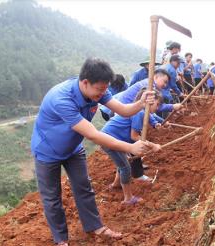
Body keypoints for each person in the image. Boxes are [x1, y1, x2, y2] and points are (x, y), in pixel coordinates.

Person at [31, 58, 159, 246]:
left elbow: (123, 110)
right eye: (99, 89)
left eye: (104, 89)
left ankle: (95, 226)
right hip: (48, 151)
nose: (103, 93)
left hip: (73, 148)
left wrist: (140, 103)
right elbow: (94, 135)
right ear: (84, 83)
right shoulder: (61, 99)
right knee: (52, 197)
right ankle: (61, 240)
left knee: (84, 188)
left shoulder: (98, 90)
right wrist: (131, 148)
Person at [101, 89, 163, 205]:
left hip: (111, 137)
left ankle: (116, 184)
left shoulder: (143, 112)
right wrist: (153, 145)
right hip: (109, 140)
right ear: (148, 102)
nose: (158, 107)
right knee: (125, 167)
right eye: (157, 104)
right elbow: (134, 136)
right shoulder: (139, 113)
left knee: (123, 162)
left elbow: (150, 118)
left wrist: (156, 124)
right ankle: (128, 198)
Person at [99, 68, 183, 122]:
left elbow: (150, 111)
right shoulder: (149, 87)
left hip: (123, 110)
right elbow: (154, 107)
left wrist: (160, 121)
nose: (165, 85)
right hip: (121, 113)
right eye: (164, 81)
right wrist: (172, 107)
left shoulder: (149, 84)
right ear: (156, 77)